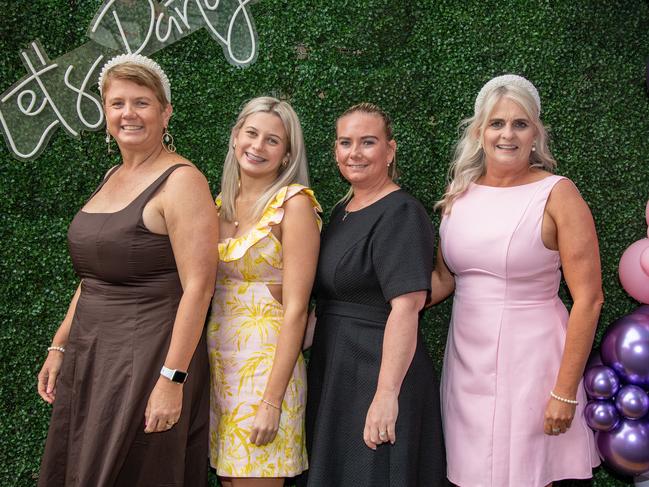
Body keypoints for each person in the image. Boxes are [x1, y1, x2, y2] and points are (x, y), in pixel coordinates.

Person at [37, 53, 218, 486]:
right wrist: (60, 345)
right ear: (105, 112)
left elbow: (199, 288)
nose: (128, 113)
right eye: (117, 103)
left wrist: (172, 379)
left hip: (148, 357)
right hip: (92, 354)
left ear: (165, 111)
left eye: (141, 102)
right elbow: (93, 275)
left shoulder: (182, 182)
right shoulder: (111, 174)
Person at [433, 74, 602, 486]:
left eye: (519, 124)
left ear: (535, 133)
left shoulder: (558, 194)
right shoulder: (460, 195)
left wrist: (564, 391)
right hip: (465, 366)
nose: (507, 134)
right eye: (496, 123)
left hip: (533, 367)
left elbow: (590, 298)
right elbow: (443, 280)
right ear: (479, 131)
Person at [302, 103, 446, 486]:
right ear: (335, 151)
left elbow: (407, 307)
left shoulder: (401, 212)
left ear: (390, 150)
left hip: (377, 371)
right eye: (346, 142)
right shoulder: (340, 211)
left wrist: (386, 395)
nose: (355, 152)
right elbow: (327, 305)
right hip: (334, 371)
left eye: (368, 142)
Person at [207, 96, 321, 487]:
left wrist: (272, 401)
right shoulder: (218, 205)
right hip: (221, 369)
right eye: (251, 134)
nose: (257, 146)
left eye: (272, 140)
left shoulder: (294, 206)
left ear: (287, 154)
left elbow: (297, 310)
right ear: (235, 136)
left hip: (268, 374)